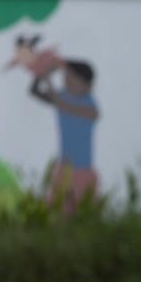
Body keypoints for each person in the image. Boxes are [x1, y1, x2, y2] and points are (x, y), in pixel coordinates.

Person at [26, 59, 100, 212]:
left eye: (72, 78)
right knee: (56, 210)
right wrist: (42, 74)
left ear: (88, 85)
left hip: (83, 171)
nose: (67, 81)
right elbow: (34, 91)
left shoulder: (89, 104)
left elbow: (68, 107)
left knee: (85, 213)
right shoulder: (63, 96)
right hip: (63, 169)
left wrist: (49, 82)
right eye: (66, 77)